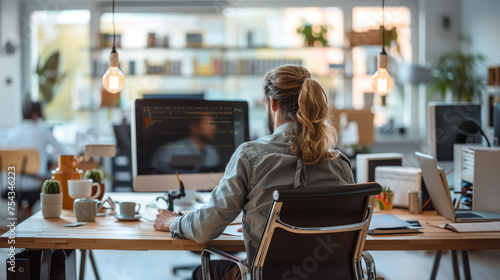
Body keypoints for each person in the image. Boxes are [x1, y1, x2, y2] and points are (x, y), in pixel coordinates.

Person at [154, 65, 354, 280]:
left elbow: (206, 228)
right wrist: (265, 228)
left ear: (272, 103)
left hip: (270, 276)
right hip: (329, 275)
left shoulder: (250, 156)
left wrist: (173, 222)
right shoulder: (339, 163)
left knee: (203, 272)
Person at [5, 100, 65, 176]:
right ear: (35, 115)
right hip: (36, 182)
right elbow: (63, 154)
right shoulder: (44, 132)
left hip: (13, 183)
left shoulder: (11, 133)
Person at [150, 113, 220, 174]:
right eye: (209, 123)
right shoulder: (171, 150)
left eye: (213, 123)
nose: (214, 127)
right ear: (194, 127)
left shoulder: (212, 152)